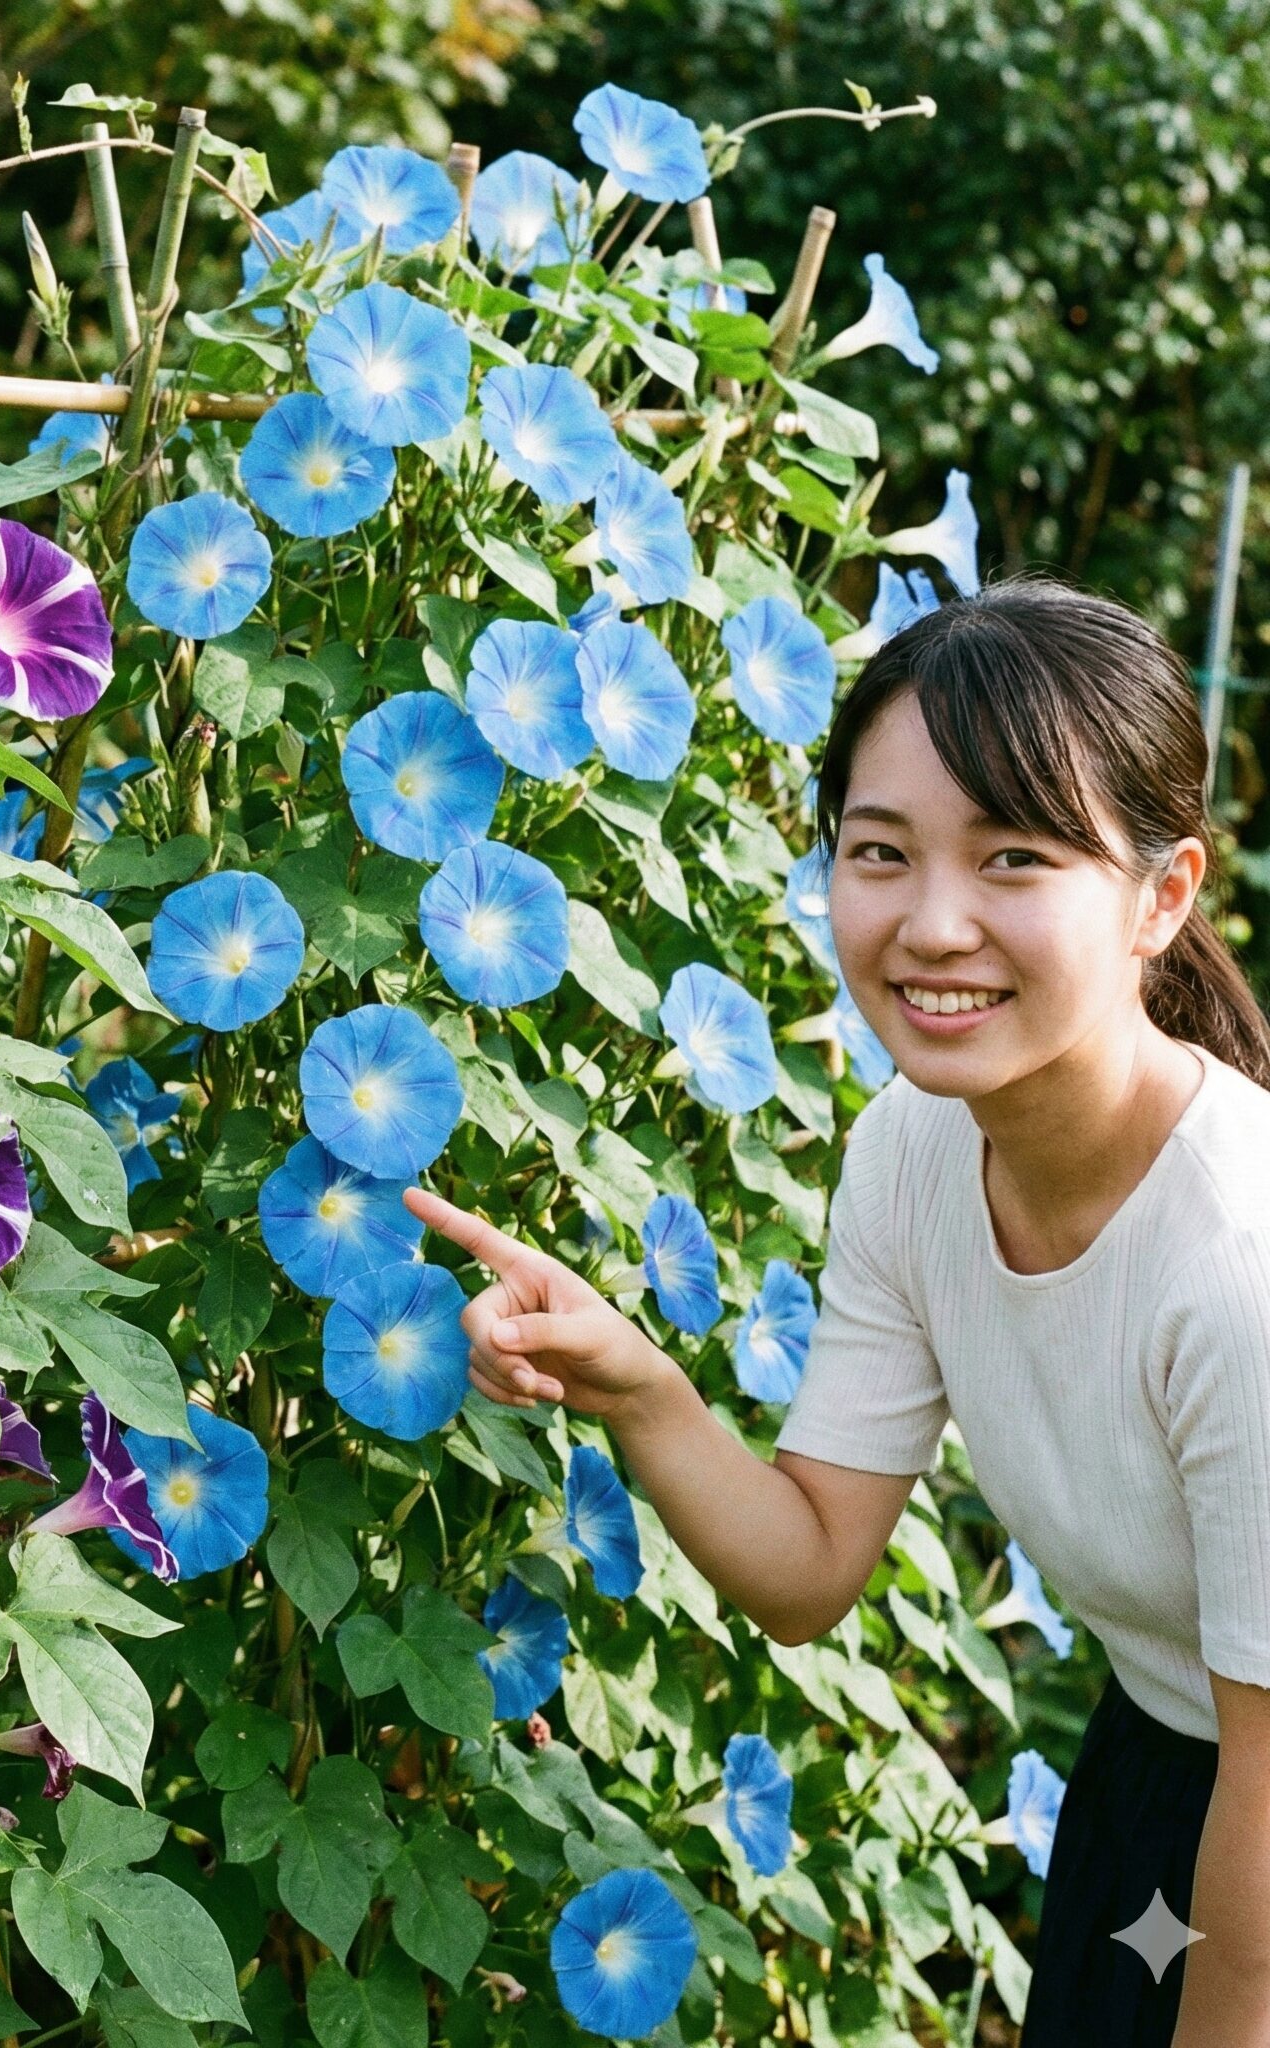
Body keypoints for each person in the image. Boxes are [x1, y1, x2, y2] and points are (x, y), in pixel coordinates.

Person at [410, 579, 1270, 2047]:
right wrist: (637, 1386)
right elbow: (810, 1568)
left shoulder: (1238, 1271)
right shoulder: (918, 1148)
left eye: (1015, 859)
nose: (934, 925)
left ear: (1162, 896)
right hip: (1168, 1763)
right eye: (881, 853)